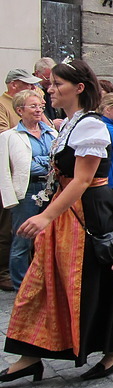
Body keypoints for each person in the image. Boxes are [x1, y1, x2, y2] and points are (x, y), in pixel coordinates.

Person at [1, 59, 113, 383]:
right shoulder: (69, 123)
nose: (50, 89)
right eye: (51, 83)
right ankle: (29, 354)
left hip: (90, 213)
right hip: (67, 208)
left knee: (95, 281)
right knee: (44, 280)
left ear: (79, 88)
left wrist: (45, 215)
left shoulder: (90, 125)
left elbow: (83, 179)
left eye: (58, 84)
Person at [0, 91, 57, 289]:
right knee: (22, 238)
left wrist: (40, 161)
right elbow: (23, 167)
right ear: (19, 110)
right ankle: (21, 286)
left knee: (50, 238)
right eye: (33, 106)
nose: (38, 110)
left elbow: (57, 159)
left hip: (51, 188)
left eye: (40, 106)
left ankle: (46, 282)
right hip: (27, 190)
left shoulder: (52, 133)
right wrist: (46, 162)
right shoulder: (10, 137)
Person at [0, 68, 41, 292]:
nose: (33, 88)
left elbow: (53, 157)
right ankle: (16, 280)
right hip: (23, 186)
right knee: (18, 236)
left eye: (40, 106)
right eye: (28, 84)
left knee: (39, 238)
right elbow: (16, 158)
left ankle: (35, 279)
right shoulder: (3, 108)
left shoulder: (45, 128)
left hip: (44, 187)